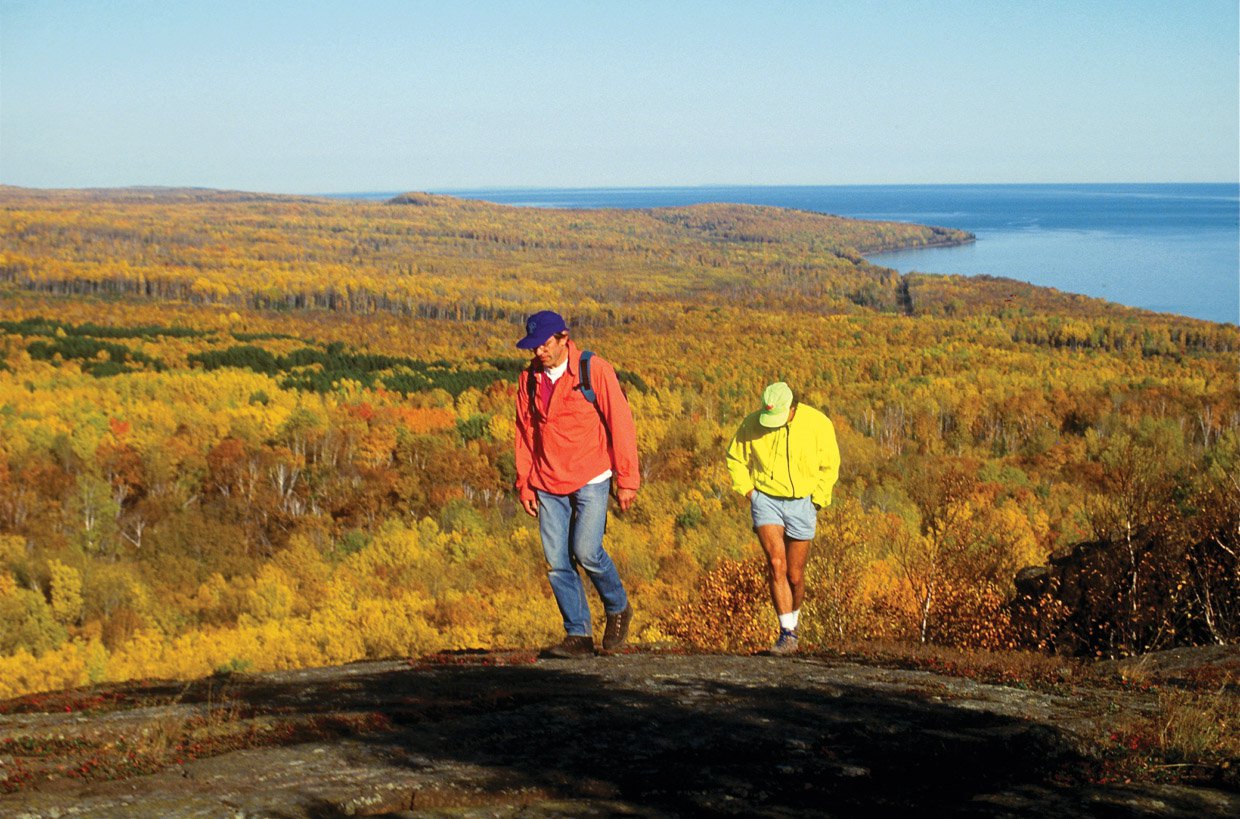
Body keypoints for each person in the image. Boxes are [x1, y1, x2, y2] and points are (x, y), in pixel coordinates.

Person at [514, 310, 639, 658]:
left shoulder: (592, 370)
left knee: (586, 551)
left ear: (563, 339)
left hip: (591, 475)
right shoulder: (528, 380)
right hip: (546, 479)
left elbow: (621, 423)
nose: (538, 352)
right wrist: (524, 483)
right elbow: (524, 433)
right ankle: (578, 635)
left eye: (544, 345)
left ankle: (617, 607)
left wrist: (627, 479)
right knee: (557, 562)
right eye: (533, 346)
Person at [726, 382, 840, 655]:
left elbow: (830, 464)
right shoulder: (751, 424)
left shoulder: (818, 423)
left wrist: (817, 500)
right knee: (776, 562)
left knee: (795, 575)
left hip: (803, 502)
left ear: (793, 408)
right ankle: (786, 633)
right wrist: (750, 492)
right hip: (766, 500)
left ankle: (794, 624)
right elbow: (735, 458)